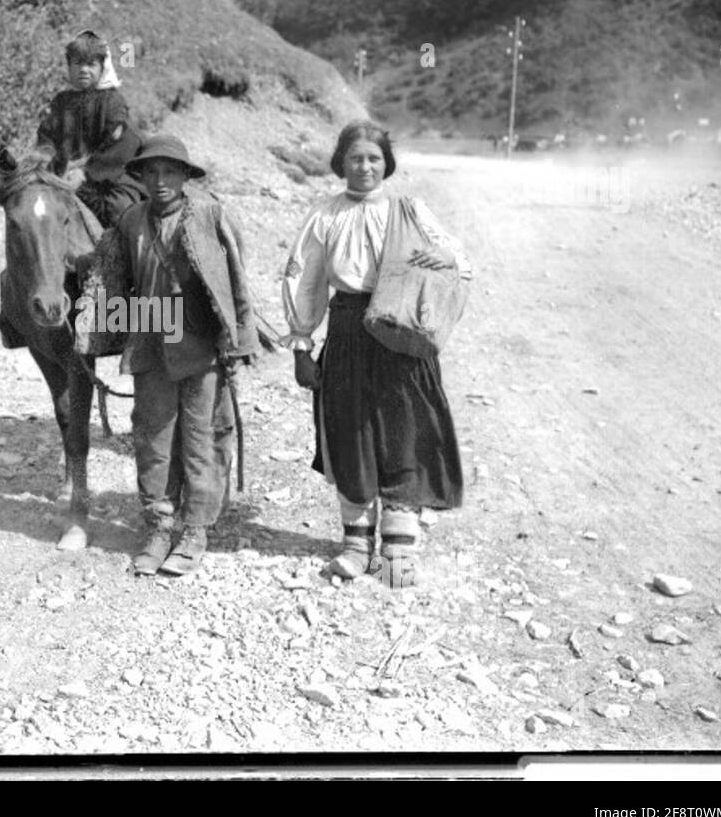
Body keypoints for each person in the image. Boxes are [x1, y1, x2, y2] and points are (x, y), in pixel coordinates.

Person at [281, 121, 471, 588]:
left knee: (405, 429)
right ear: (340, 163)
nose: (364, 167)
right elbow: (304, 279)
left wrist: (445, 259)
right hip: (347, 331)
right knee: (350, 429)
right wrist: (302, 345)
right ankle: (356, 544)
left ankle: (398, 547)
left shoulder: (410, 210)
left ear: (386, 163)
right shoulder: (324, 215)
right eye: (354, 158)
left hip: (400, 331)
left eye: (373, 158)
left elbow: (456, 258)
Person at [79, 135, 257, 577]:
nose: (160, 181)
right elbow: (111, 279)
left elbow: (235, 282)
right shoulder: (129, 221)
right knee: (152, 439)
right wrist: (92, 332)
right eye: (151, 172)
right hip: (150, 339)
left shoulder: (210, 216)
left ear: (184, 177)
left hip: (199, 343)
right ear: (139, 176)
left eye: (171, 171)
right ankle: (159, 526)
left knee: (202, 438)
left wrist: (238, 341)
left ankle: (195, 529)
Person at [36, 29, 145, 230]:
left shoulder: (112, 101)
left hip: (110, 180)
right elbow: (47, 136)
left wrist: (85, 173)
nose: (83, 70)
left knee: (120, 211)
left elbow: (122, 143)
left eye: (91, 64)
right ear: (68, 67)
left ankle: (130, 259)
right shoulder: (62, 101)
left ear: (102, 67)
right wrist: (48, 163)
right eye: (77, 63)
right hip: (65, 175)